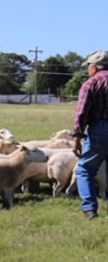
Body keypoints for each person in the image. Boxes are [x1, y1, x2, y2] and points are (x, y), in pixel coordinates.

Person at [73, 50, 108, 220]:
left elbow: (82, 113)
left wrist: (77, 137)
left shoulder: (91, 83)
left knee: (85, 170)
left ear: (94, 67)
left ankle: (89, 209)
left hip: (100, 129)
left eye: (88, 67)